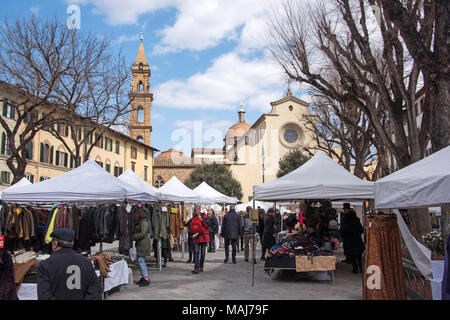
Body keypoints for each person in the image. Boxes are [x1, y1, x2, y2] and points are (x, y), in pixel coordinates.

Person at [37, 228, 102, 300]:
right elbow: (95, 288)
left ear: (55, 244)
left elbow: (44, 295)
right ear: (72, 243)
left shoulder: (45, 265)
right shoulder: (86, 262)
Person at [133, 208, 151, 287]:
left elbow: (143, 233)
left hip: (143, 244)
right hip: (141, 243)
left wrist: (133, 237)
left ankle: (145, 278)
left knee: (141, 260)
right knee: (141, 260)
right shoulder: (142, 222)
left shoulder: (144, 222)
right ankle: (144, 277)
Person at [190, 205, 210, 274]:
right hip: (196, 237)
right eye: (195, 210)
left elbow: (208, 224)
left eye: (197, 209)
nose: (196, 211)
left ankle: (201, 266)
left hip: (203, 237)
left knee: (203, 253)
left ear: (200, 209)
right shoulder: (193, 218)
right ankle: (196, 268)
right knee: (196, 252)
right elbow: (190, 226)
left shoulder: (204, 216)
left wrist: (202, 220)